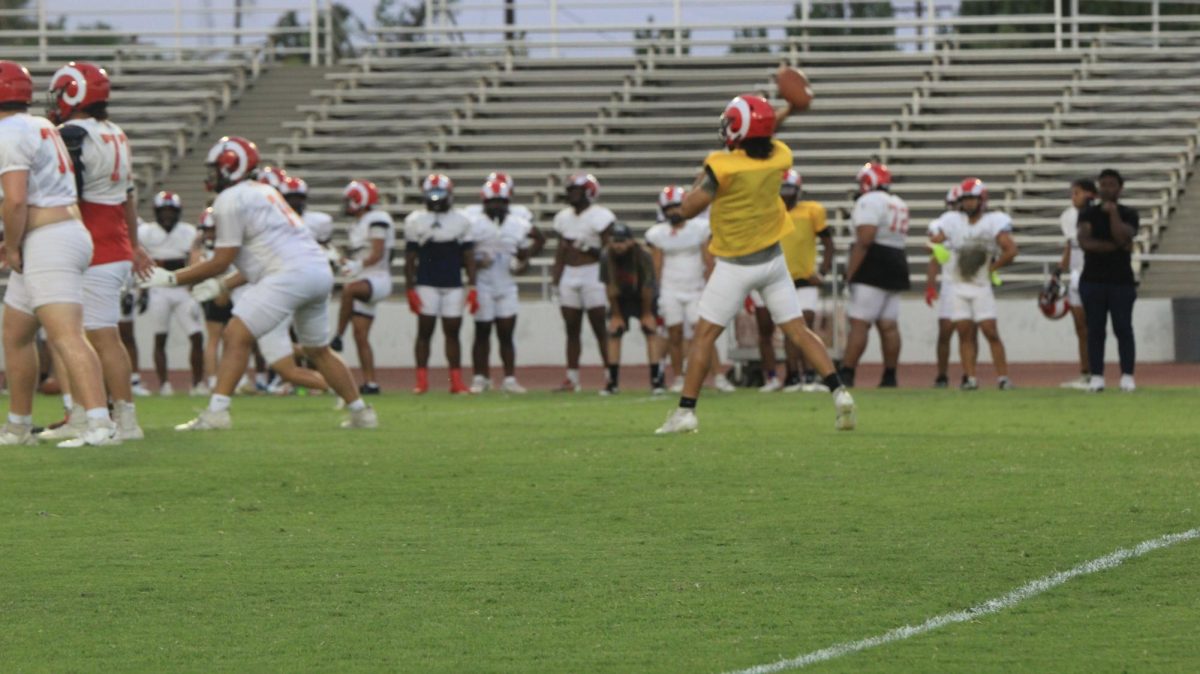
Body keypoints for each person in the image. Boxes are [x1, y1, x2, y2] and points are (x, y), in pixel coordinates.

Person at [140, 135, 375, 430]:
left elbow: (222, 259)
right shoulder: (266, 192)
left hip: (289, 274)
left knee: (236, 335)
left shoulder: (230, 199)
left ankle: (217, 413)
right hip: (317, 272)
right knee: (318, 350)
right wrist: (224, 285)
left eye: (215, 169)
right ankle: (360, 412)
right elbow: (261, 259)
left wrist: (173, 277)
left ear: (229, 167)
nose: (211, 176)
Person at [655, 94, 854, 434]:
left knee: (704, 337)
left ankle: (686, 412)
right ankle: (839, 393)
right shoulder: (780, 156)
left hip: (735, 264)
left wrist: (698, 177)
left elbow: (687, 209)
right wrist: (789, 108)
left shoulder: (722, 166)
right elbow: (767, 130)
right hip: (773, 259)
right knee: (797, 330)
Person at [0, 60, 118, 446]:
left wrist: (12, 245)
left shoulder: (9, 131)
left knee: (66, 335)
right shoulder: (40, 124)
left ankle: (100, 424)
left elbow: (15, 200)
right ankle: (19, 426)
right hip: (55, 233)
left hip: (48, 239)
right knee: (16, 333)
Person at [44, 61, 145, 441]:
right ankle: (89, 415)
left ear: (73, 92)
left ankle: (123, 420)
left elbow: (67, 193)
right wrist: (133, 243)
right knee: (84, 334)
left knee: (101, 337)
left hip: (93, 244)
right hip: (112, 240)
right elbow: (129, 197)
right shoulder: (114, 132)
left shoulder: (72, 133)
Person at [644, 186, 736, 394]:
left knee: (703, 333)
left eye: (676, 206)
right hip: (670, 289)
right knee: (674, 334)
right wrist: (656, 292)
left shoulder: (700, 227)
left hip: (696, 289)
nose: (673, 211)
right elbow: (657, 266)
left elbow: (709, 259)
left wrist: (712, 286)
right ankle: (678, 377)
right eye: (669, 207)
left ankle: (719, 376)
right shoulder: (658, 233)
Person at [929, 178, 1018, 390]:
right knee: (964, 333)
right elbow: (933, 242)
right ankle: (970, 377)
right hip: (958, 285)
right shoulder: (952, 221)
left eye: (972, 199)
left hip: (980, 285)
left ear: (982, 200)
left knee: (990, 331)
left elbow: (1011, 249)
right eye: (965, 200)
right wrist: (938, 247)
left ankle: (1003, 377)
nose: (968, 204)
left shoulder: (993, 221)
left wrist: (992, 268)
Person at [468, 176, 545, 394]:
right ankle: (480, 377)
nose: (497, 206)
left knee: (506, 333)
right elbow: (462, 252)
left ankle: (509, 378)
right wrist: (475, 264)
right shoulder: (474, 222)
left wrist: (525, 256)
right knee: (482, 332)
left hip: (507, 283)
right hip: (483, 283)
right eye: (493, 202)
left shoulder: (518, 222)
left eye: (501, 202)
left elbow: (540, 238)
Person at [404, 173, 477, 394]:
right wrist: (410, 287)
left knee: (452, 332)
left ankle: (455, 380)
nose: (436, 199)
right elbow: (410, 257)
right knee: (425, 330)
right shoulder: (415, 219)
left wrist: (472, 286)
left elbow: (469, 256)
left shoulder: (462, 220)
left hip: (453, 283)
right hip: (426, 283)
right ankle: (421, 380)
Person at [839, 161, 909, 388]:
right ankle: (890, 375)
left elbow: (866, 239)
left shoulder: (868, 201)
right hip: (897, 259)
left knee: (859, 323)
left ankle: (847, 373)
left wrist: (850, 273)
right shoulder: (898, 202)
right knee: (889, 325)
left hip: (874, 262)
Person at [1077, 168, 1139, 393]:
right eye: (1103, 184)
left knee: (1123, 328)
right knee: (1095, 329)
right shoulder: (1087, 214)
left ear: (1120, 189)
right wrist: (1115, 247)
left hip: (1121, 281)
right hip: (1092, 280)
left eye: (1112, 184)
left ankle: (1127, 375)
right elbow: (1086, 242)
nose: (1107, 189)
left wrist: (1113, 214)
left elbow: (1125, 235)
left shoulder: (1129, 213)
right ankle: (1097, 376)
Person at [551, 173, 614, 392]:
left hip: (593, 273)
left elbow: (609, 251)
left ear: (588, 191)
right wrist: (555, 279)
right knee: (571, 328)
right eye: (569, 190)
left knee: (599, 327)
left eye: (576, 190)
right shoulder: (563, 217)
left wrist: (588, 248)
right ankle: (572, 377)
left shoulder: (601, 216)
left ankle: (610, 375)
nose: (571, 195)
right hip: (570, 274)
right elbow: (561, 251)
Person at [331, 179, 394, 394]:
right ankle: (371, 383)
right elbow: (359, 256)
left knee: (349, 290)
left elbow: (377, 253)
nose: (347, 205)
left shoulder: (377, 219)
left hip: (378, 278)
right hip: (366, 277)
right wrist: (342, 261)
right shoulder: (356, 224)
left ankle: (337, 335)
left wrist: (358, 265)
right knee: (360, 335)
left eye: (351, 200)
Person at [139, 190, 206, 395]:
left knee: (196, 336)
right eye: (164, 211)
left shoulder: (187, 231)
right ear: (156, 212)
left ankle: (198, 384)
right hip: (159, 289)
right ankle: (164, 384)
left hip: (182, 289)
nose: (167, 215)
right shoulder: (146, 232)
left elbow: (194, 258)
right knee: (160, 337)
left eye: (171, 211)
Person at [777, 168, 834, 392]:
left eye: (789, 189)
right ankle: (792, 375)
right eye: (782, 189)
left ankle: (810, 374)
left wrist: (823, 272)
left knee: (805, 325)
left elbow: (828, 243)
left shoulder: (811, 211)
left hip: (805, 278)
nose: (786, 194)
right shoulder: (772, 212)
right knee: (790, 330)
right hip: (780, 280)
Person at [599, 222, 663, 395]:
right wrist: (617, 315)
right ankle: (612, 381)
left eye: (622, 241)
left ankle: (656, 380)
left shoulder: (643, 256)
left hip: (643, 297)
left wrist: (647, 313)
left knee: (650, 331)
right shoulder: (606, 256)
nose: (619, 245)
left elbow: (648, 286)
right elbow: (609, 287)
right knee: (614, 332)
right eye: (615, 241)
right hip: (620, 298)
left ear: (631, 241)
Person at [1058, 178, 1097, 389]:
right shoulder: (1067, 216)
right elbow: (1070, 246)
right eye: (1073, 193)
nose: (1073, 197)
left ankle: (1097, 372)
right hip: (1076, 275)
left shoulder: (1098, 214)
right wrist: (1058, 271)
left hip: (1094, 274)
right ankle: (1086, 372)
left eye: (1077, 193)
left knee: (1093, 327)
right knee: (1080, 327)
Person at [924, 185, 964, 388]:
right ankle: (942, 375)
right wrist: (931, 286)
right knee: (945, 332)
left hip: (969, 281)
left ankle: (968, 374)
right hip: (949, 283)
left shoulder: (973, 223)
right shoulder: (942, 225)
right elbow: (934, 259)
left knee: (969, 332)